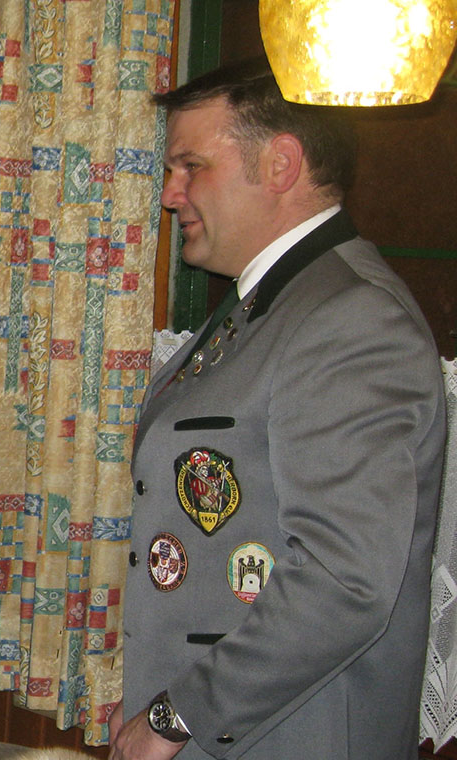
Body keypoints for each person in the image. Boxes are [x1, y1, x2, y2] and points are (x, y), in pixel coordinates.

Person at [109, 60, 446, 759]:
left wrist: (176, 714)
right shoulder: (269, 304)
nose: (170, 195)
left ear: (280, 164)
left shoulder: (351, 319)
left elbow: (342, 581)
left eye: (191, 166)